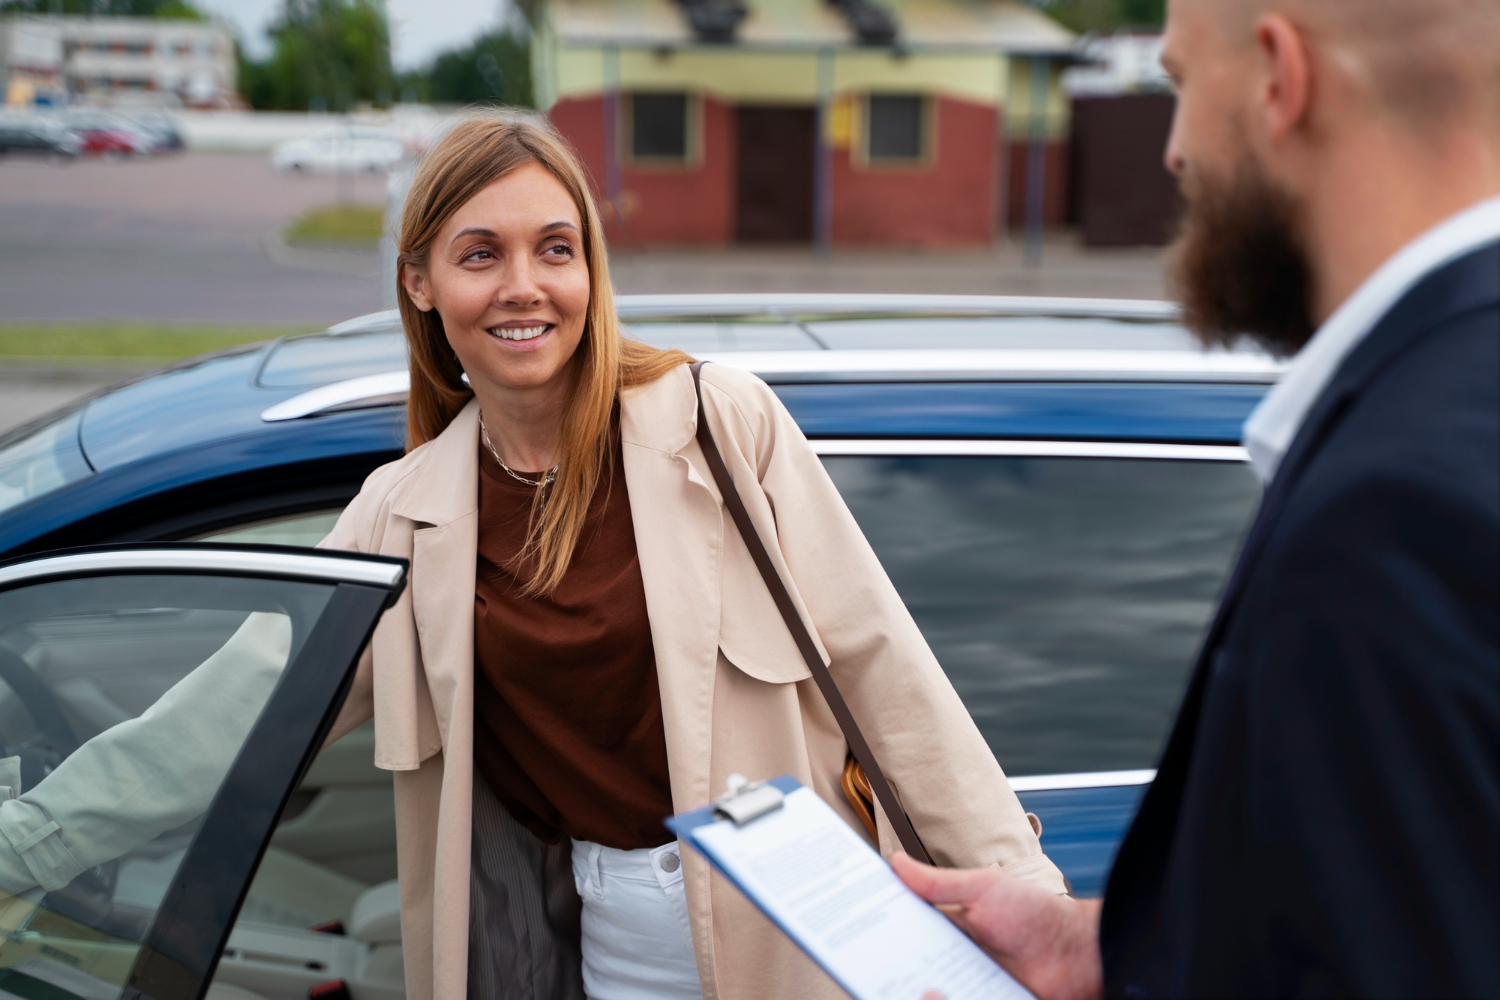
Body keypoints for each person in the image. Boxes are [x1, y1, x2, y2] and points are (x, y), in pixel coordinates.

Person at [311, 113, 1067, 1000]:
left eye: (556, 249)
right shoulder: (401, 514)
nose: (525, 286)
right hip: (618, 946)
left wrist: (1033, 907)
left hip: (808, 936)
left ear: (590, 268)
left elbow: (886, 671)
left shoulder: (720, 424)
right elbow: (256, 698)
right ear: (420, 283)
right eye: (480, 255)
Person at [897, 0, 1500, 997]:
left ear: (1279, 78)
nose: (1174, 150)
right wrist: (1093, 947)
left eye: (1178, 84)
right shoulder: (1449, 414)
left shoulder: (1396, 512)